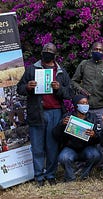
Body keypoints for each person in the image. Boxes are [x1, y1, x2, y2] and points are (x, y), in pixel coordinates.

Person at [17, 42, 72, 186]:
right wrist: (28, 87)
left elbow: (69, 93)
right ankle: (39, 177)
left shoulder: (61, 72)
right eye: (45, 50)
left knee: (52, 146)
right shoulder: (32, 69)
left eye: (51, 51)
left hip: (55, 113)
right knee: (37, 146)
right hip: (37, 112)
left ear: (55, 55)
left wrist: (59, 88)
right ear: (41, 53)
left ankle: (51, 174)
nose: (48, 53)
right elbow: (19, 88)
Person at [56, 94, 101, 182]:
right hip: (70, 148)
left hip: (87, 148)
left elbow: (99, 139)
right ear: (76, 105)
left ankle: (83, 176)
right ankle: (70, 178)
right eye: (82, 103)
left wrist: (94, 135)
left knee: (95, 155)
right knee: (64, 157)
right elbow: (56, 135)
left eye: (86, 103)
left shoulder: (93, 117)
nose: (85, 105)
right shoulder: (68, 117)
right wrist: (62, 125)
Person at [71, 42, 103, 128]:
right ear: (91, 50)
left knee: (102, 134)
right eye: (96, 49)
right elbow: (74, 81)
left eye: (100, 50)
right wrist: (80, 90)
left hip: (101, 108)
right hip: (85, 107)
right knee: (84, 133)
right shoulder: (84, 64)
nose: (98, 51)